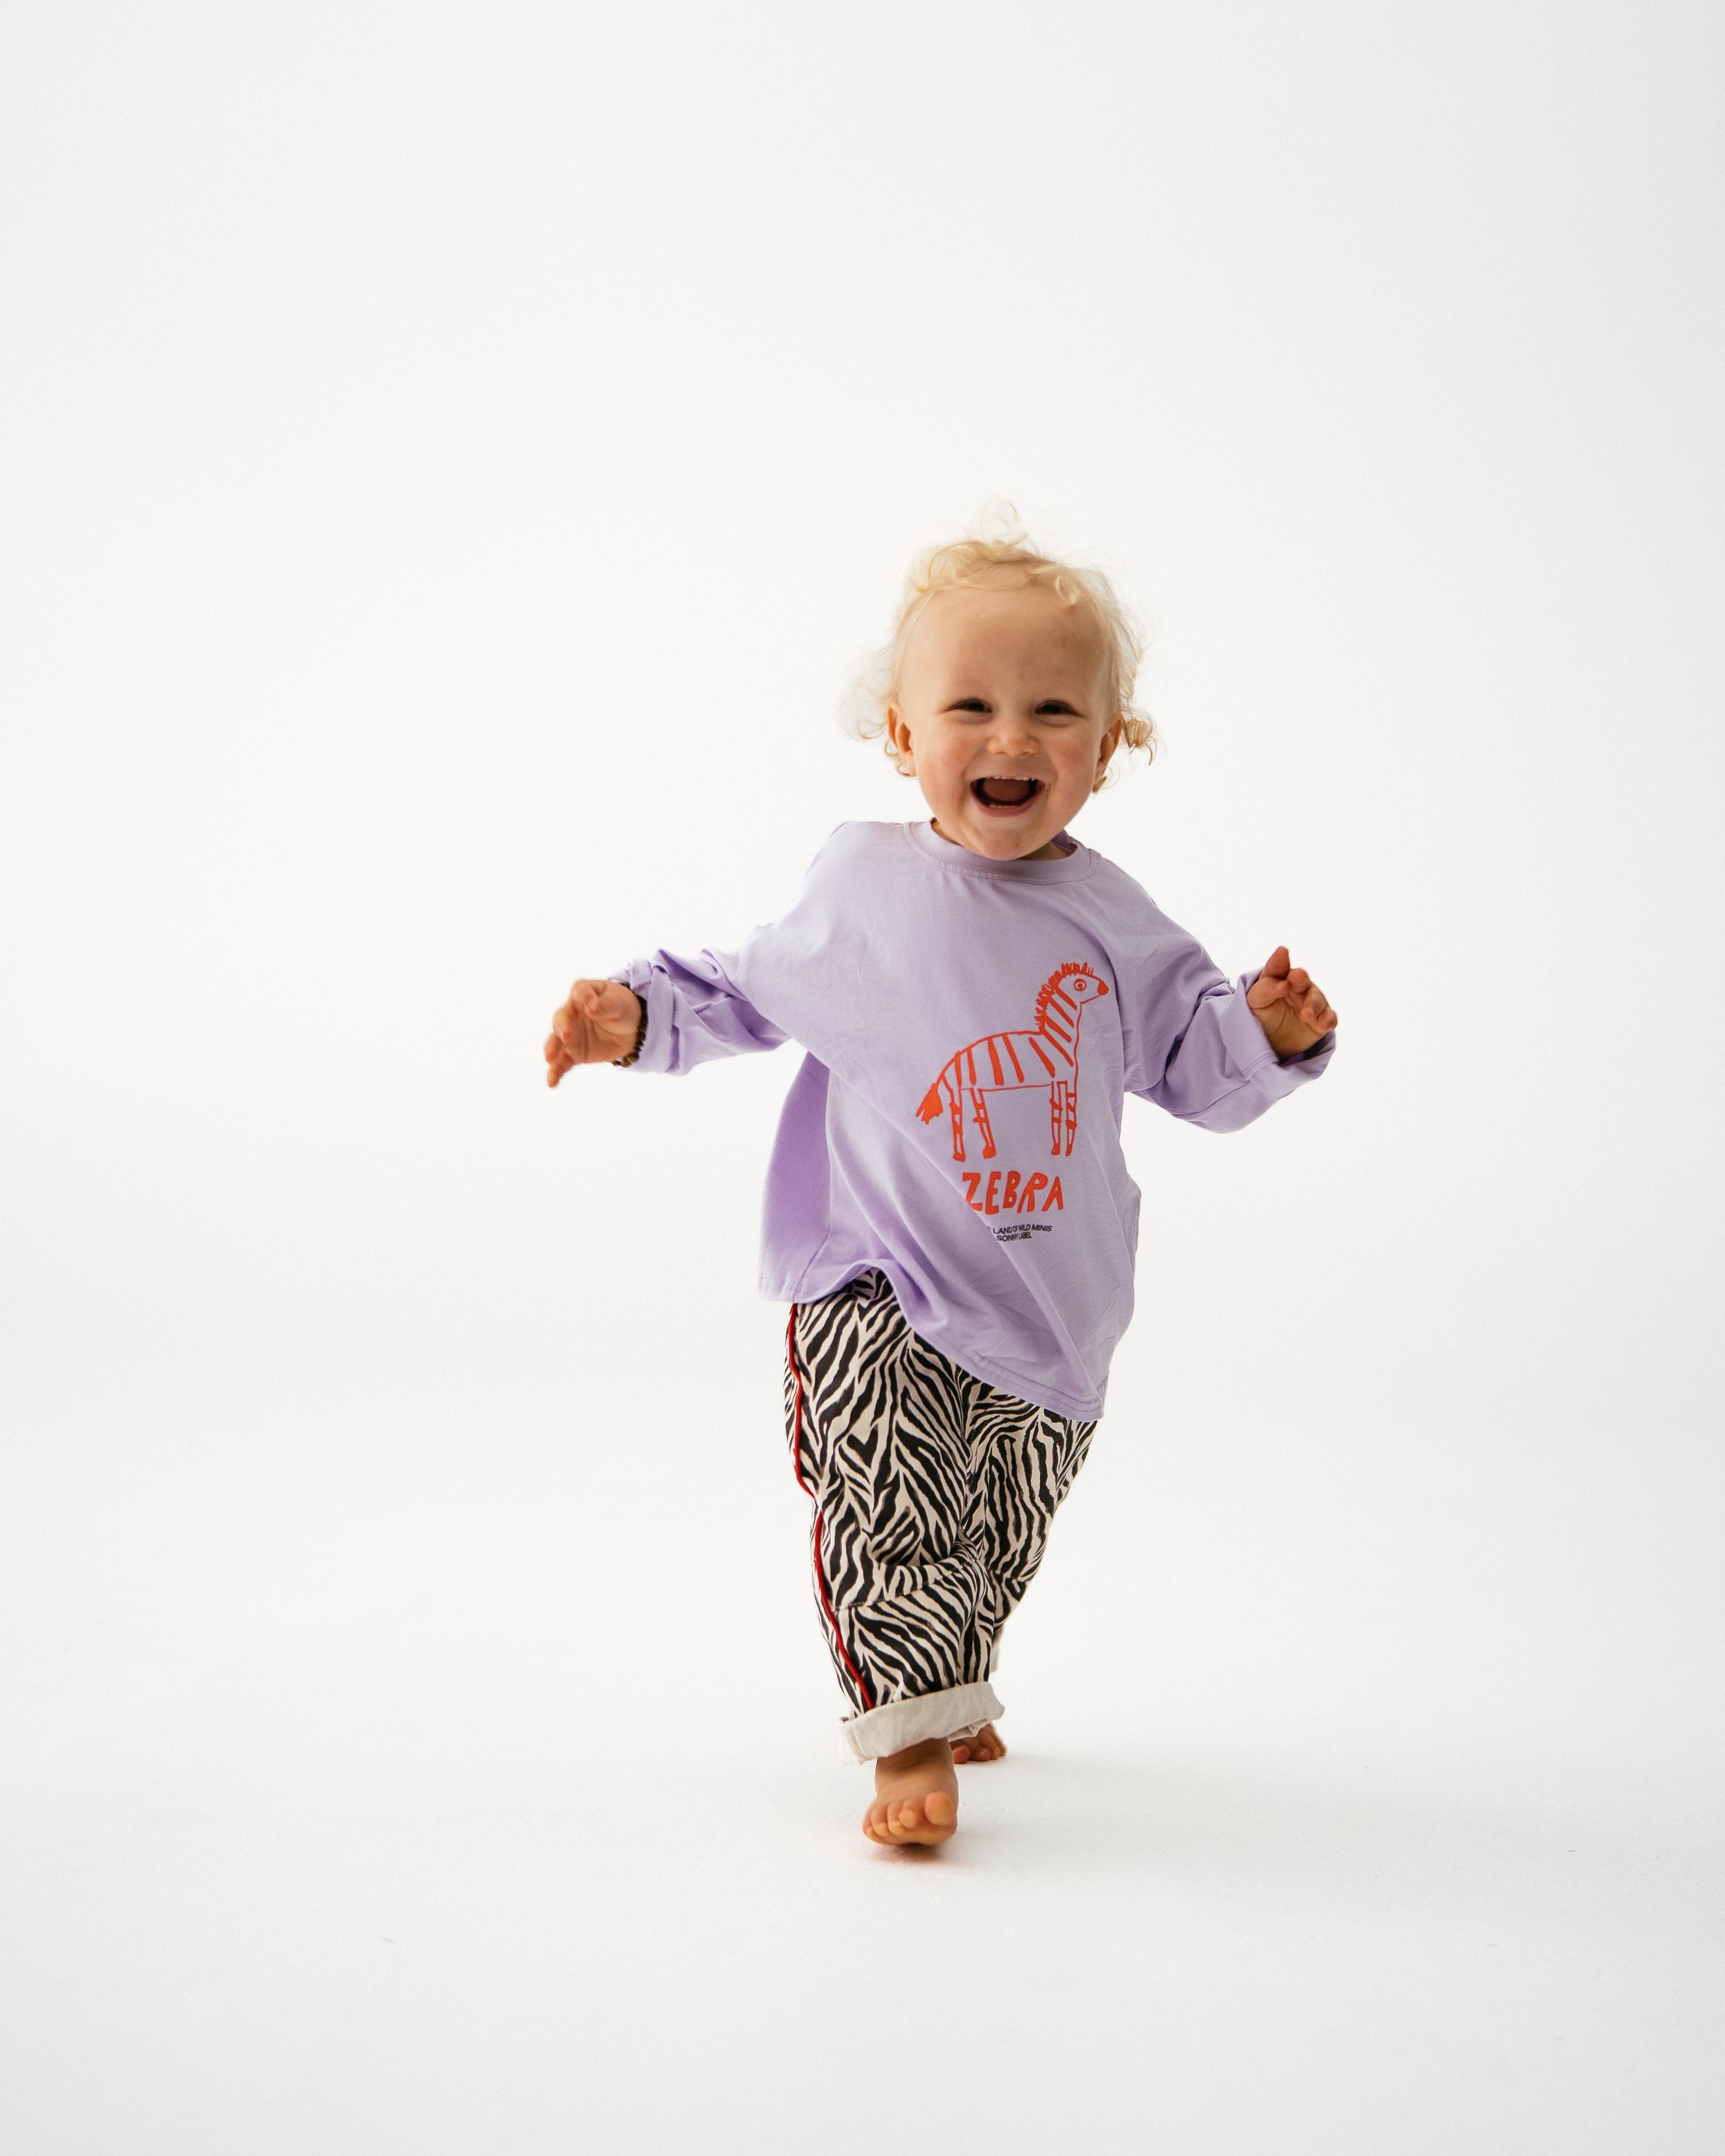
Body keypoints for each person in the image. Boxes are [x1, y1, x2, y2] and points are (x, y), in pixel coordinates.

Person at [543, 524, 1337, 1849]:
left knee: (995, 1521)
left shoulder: (1117, 921)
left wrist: (1271, 1029)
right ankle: (907, 1726)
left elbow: (1200, 1066)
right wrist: (633, 1016)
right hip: (875, 1271)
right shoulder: (864, 885)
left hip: (1048, 1311)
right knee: (877, 1475)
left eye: (1050, 711)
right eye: (969, 706)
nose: (1009, 738)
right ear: (902, 736)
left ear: (1109, 743)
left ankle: (954, 1663)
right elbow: (747, 985)